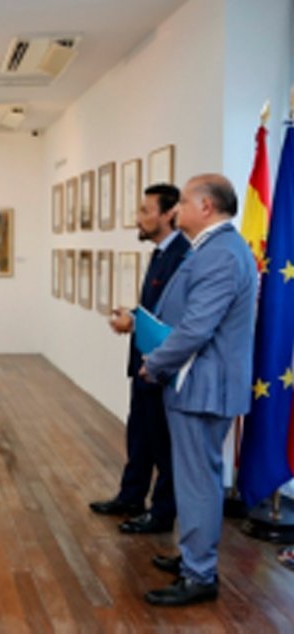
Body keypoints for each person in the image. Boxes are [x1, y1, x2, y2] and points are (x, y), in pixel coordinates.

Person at [141, 174, 257, 606]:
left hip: (202, 386)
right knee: (196, 478)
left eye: (183, 202)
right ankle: (193, 555)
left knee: (198, 482)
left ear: (206, 207)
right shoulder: (213, 248)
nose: (176, 211)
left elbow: (196, 328)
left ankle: (199, 573)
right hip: (195, 382)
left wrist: (156, 362)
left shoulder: (222, 254)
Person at [90, 184, 188, 535]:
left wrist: (134, 322)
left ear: (169, 214)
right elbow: (155, 310)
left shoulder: (182, 256)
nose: (139, 218)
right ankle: (131, 497)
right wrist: (133, 315)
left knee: (163, 444)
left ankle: (161, 515)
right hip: (145, 362)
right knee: (140, 436)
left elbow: (176, 318)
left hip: (161, 366)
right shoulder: (162, 253)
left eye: (146, 211)